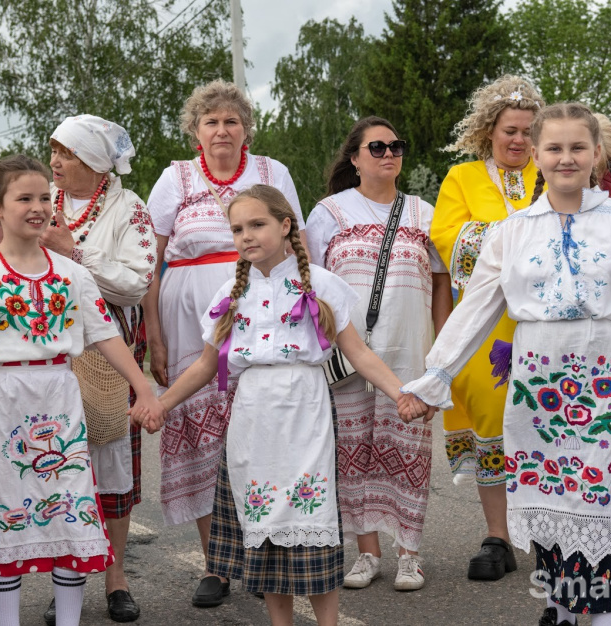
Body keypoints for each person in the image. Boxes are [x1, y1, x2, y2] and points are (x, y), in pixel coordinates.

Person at [401, 103, 611, 626]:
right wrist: (435, 379)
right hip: (537, 380)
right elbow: (474, 312)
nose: (566, 158)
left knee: (601, 494)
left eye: (577, 148)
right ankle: (559, 606)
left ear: (597, 154)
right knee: (549, 492)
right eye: (555, 148)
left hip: (606, 373)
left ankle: (605, 615)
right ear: (536, 155)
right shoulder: (510, 232)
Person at [132, 184, 430, 625]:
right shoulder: (229, 296)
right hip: (253, 418)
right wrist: (161, 404)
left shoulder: (324, 285)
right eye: (237, 229)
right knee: (264, 531)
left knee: (315, 525)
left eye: (257, 224)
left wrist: (401, 392)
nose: (246, 236)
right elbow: (204, 366)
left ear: (286, 225)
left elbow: (360, 353)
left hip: (306, 412)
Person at [0, 155, 166, 626]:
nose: (38, 207)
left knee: (71, 518)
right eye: (25, 198)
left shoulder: (72, 274)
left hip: (60, 400)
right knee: (8, 523)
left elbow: (105, 335)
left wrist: (142, 388)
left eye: (45, 197)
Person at [144, 79, 306, 608]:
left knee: (259, 431)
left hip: (261, 305)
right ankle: (216, 564)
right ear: (196, 131)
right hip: (188, 316)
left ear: (246, 128)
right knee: (202, 438)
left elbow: (299, 241)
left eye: (231, 120)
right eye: (210, 121)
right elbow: (151, 261)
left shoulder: (271, 172)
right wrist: (156, 335)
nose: (222, 129)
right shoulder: (175, 179)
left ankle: (264, 555)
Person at [306, 117, 452, 591]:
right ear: (355, 157)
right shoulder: (329, 212)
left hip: (409, 349)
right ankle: (367, 553)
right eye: (377, 147)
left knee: (408, 448)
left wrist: (444, 349)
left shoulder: (424, 212)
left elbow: (440, 284)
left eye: (397, 146)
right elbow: (308, 284)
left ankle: (410, 552)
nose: (389, 154)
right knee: (353, 452)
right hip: (346, 355)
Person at [35, 115, 155, 624]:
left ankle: (116, 576)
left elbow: (136, 284)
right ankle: (68, 579)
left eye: (65, 153)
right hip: (49, 344)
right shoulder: (41, 199)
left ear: (93, 161)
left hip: (107, 348)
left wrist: (73, 252)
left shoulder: (129, 208)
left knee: (110, 463)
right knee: (61, 462)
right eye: (54, 152)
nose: (55, 162)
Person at [429, 75, 544, 580]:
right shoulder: (462, 178)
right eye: (509, 131)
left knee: (549, 422)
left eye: (526, 131)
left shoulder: (555, 169)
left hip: (546, 321)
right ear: (488, 132)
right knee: (492, 425)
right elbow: (448, 235)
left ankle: (552, 531)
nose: (518, 140)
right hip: (485, 326)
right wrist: (518, 237)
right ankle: (498, 536)